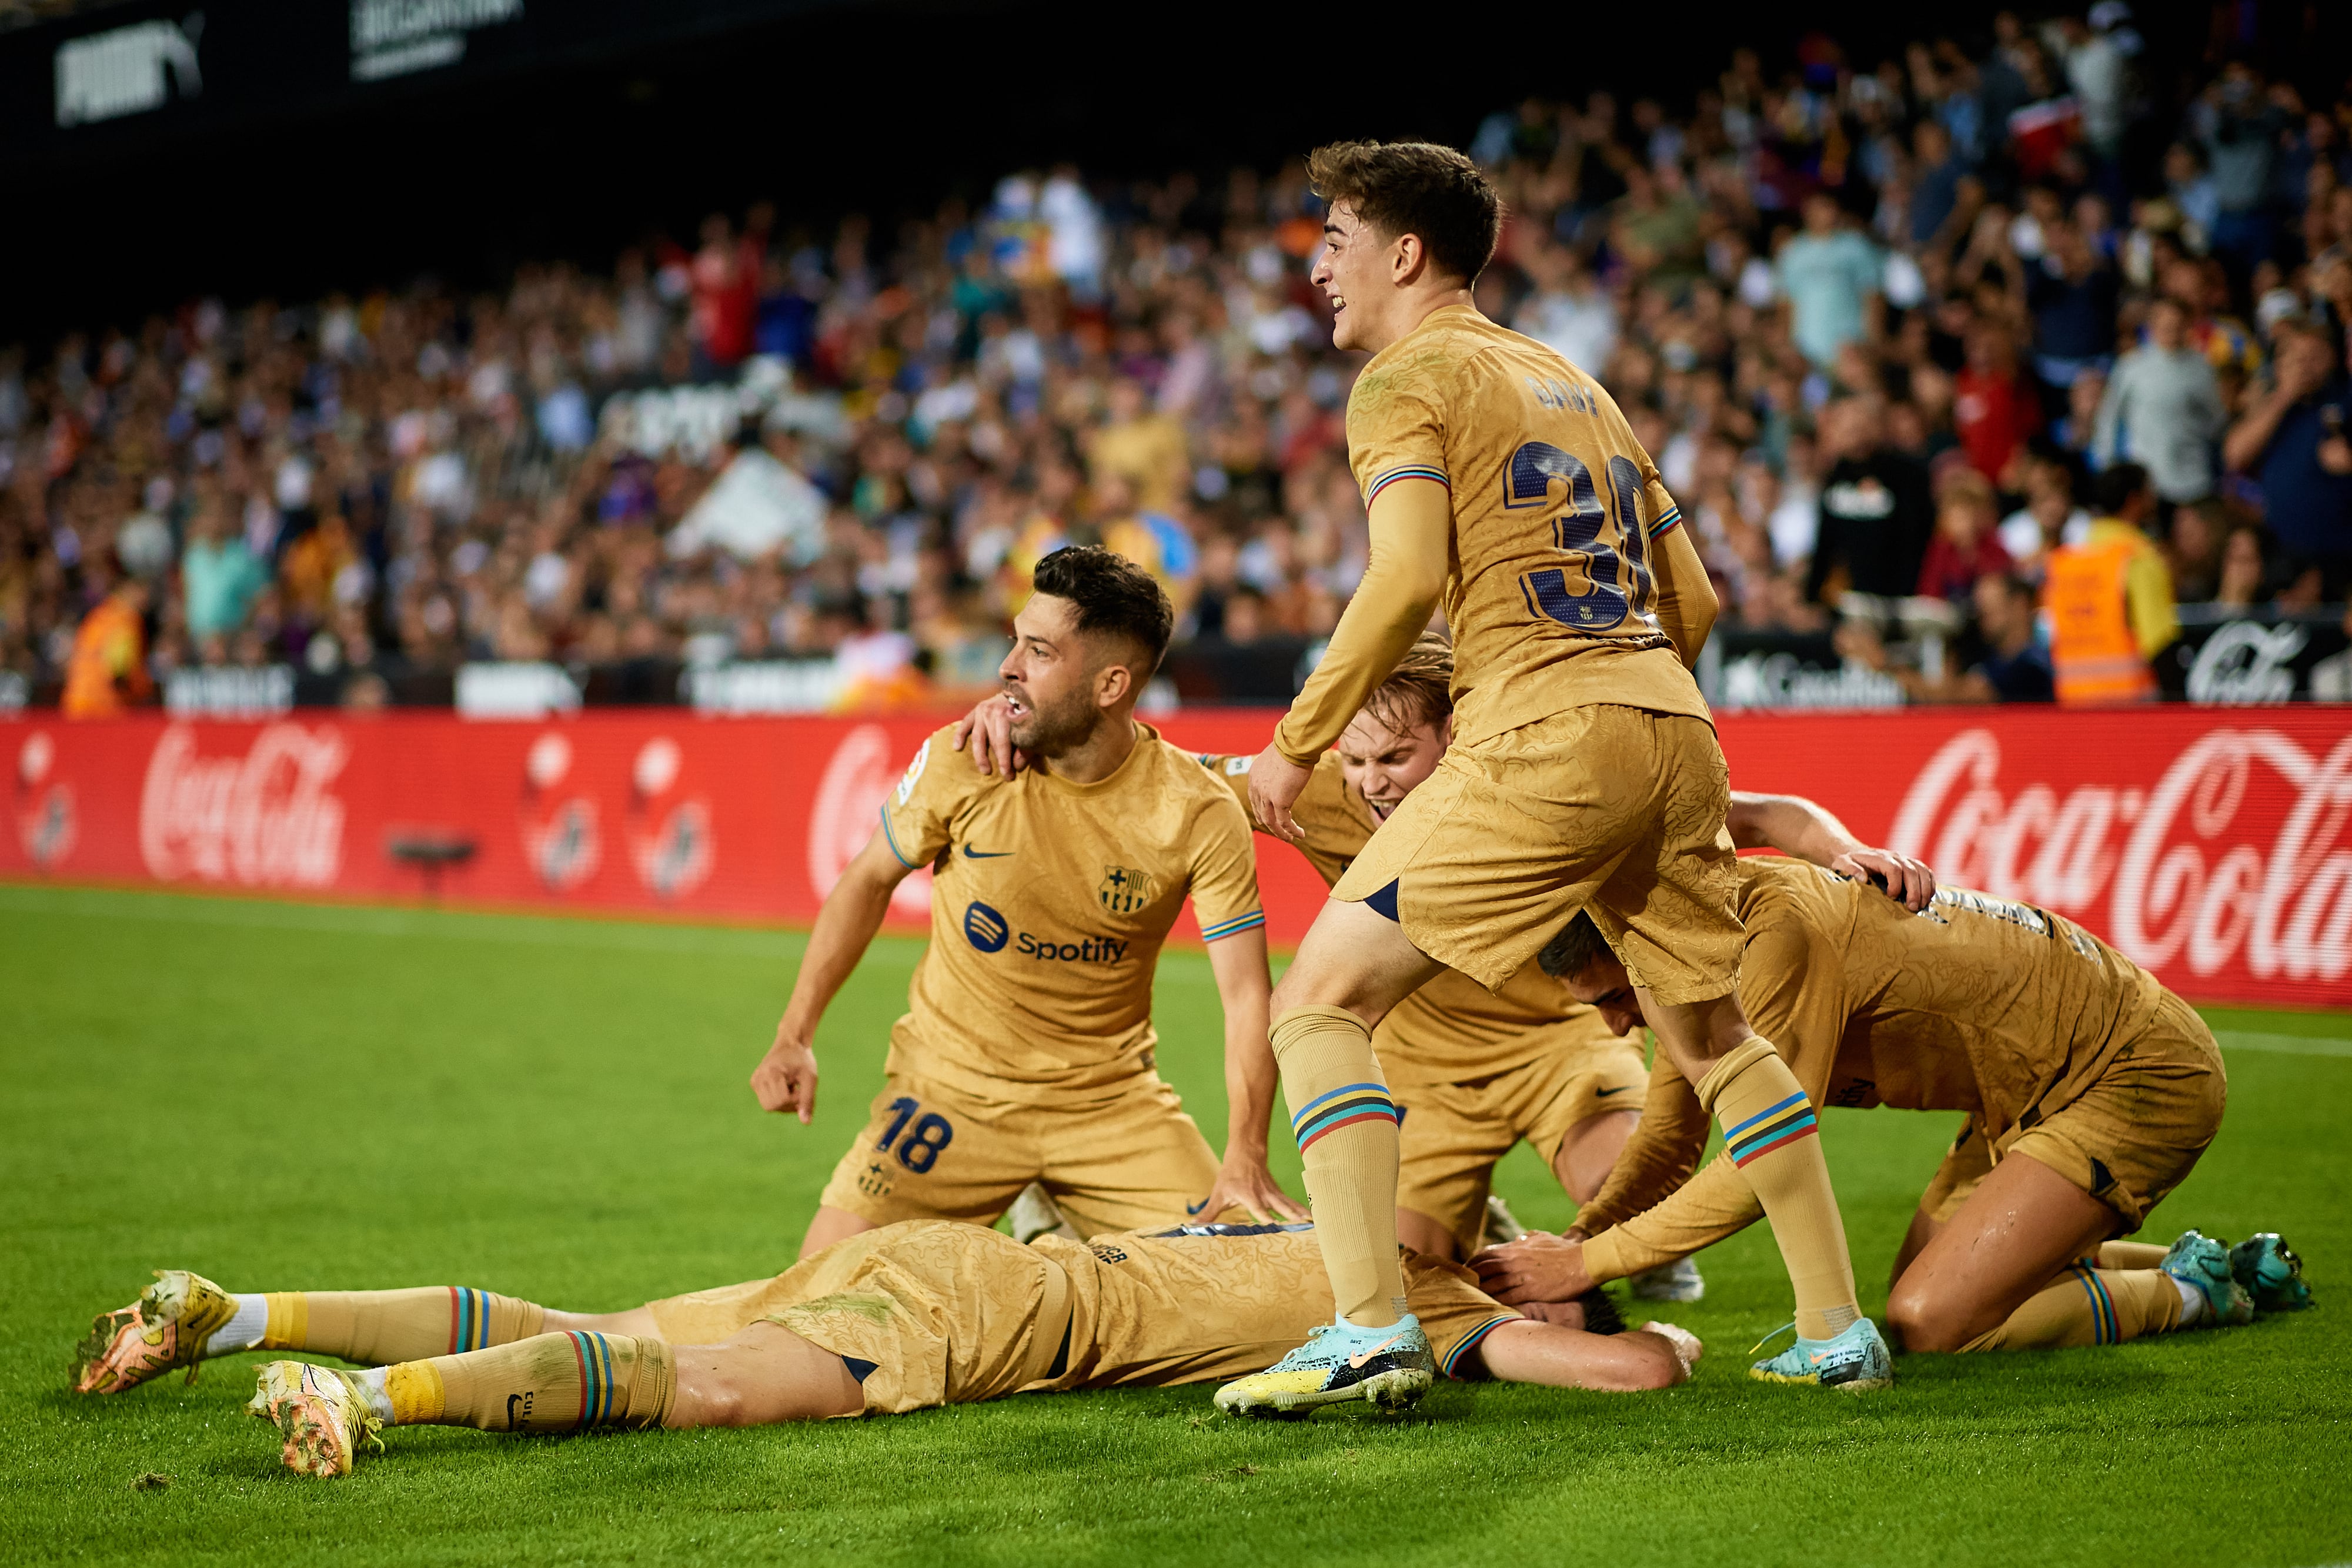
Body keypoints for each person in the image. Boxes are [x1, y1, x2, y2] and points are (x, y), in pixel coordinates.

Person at [1224, 140, 1887, 1416]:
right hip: (1670, 718)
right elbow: (1690, 594)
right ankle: (1832, 1325)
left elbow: (1406, 577)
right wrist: (1628, 694)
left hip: (1542, 723)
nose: (1316, 267)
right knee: (1710, 1033)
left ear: (1403, 252)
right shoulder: (1572, 381)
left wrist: (1298, 740)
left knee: (1320, 1002)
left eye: (1334, 240)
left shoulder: (1404, 376)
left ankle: (1367, 1327)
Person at [960, 634, 1935, 1275]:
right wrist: (1016, 713)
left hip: (1556, 1048)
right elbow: (1155, 765)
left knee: (1626, 1184)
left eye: (1398, 758)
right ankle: (1486, 1234)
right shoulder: (1320, 794)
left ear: (1454, 737)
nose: (1374, 784)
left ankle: (1599, 1249)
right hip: (1421, 1072)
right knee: (1412, 1278)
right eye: (1355, 760)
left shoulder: (1534, 790)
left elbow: (1765, 811)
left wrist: (1849, 850)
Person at [71, 1221, 1703, 1477]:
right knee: (698, 1393)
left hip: (950, 1251)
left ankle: (239, 1312)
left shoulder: (1367, 1213)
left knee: (603, 1331)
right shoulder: (1451, 1301)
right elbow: (1639, 1368)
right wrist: (1651, 1306)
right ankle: (354, 1396)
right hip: (980, 1313)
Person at [1472, 858, 2310, 1358]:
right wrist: (1577, 1238)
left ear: (1632, 950)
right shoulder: (1685, 950)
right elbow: (1667, 1138)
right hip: (2022, 1096)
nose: (1620, 1022)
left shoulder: (1765, 947)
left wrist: (1587, 1267)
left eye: (1618, 996)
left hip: (2128, 1071)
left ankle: (2197, 1290)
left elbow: (1765, 1161)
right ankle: (2219, 1260)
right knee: (1939, 1285)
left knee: (1934, 1318)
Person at [749, 546, 1298, 1261]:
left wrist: (1245, 1155)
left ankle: (1053, 1224)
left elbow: (1247, 997)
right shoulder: (965, 758)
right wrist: (795, 1034)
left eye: (1037, 650)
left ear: (1110, 684)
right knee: (820, 1294)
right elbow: (865, 880)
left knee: (1253, 1281)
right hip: (951, 1095)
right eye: (1016, 640)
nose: (1007, 665)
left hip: (1112, 1107)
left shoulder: (1195, 811)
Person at [2222, 319, 2352, 601]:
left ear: (2333, 358)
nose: (2305, 367)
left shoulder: (2345, 400)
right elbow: (2235, 454)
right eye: (2297, 358)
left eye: (2315, 357)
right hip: (2282, 557)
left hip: (2340, 554)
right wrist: (2284, 395)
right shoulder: (2272, 407)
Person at [2041, 462, 2177, 704]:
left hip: (2074, 705)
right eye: (2150, 493)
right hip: (2130, 707)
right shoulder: (2138, 559)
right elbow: (2158, 643)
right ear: (2135, 501)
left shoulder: (2066, 562)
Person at [2093, 297, 2229, 506]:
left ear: (2187, 327)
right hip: (2147, 482)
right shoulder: (2131, 367)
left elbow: (2217, 419)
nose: (2172, 333)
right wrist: (2107, 465)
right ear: (2152, 326)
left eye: (2177, 327)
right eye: (2165, 327)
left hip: (2193, 478)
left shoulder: (2201, 368)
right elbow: (2109, 418)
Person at [61, 569, 151, 719]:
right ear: (129, 589)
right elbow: (119, 667)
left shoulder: (98, 616)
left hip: (76, 703)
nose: (146, 599)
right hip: (103, 708)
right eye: (143, 592)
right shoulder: (126, 620)